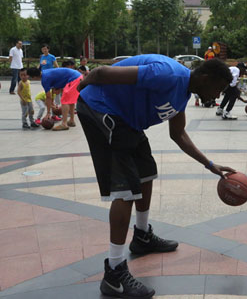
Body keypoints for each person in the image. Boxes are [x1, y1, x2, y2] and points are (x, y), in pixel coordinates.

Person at [76, 54, 235, 298]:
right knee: (126, 191)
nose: (218, 95)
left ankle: (141, 236)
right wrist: (79, 91)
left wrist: (210, 164)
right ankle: (114, 274)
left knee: (146, 173)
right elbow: (101, 73)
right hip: (101, 109)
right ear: (205, 78)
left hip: (127, 120)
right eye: (218, 88)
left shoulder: (182, 94)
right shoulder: (167, 74)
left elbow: (178, 134)